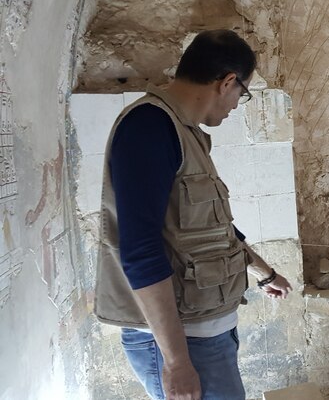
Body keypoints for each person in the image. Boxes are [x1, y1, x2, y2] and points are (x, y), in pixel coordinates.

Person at [94, 29, 292, 400]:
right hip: (181, 343)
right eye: (241, 94)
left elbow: (212, 230)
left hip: (204, 334)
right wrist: (175, 363)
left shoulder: (185, 133)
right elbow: (139, 250)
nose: (235, 105)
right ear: (228, 82)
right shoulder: (149, 127)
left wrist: (264, 274)